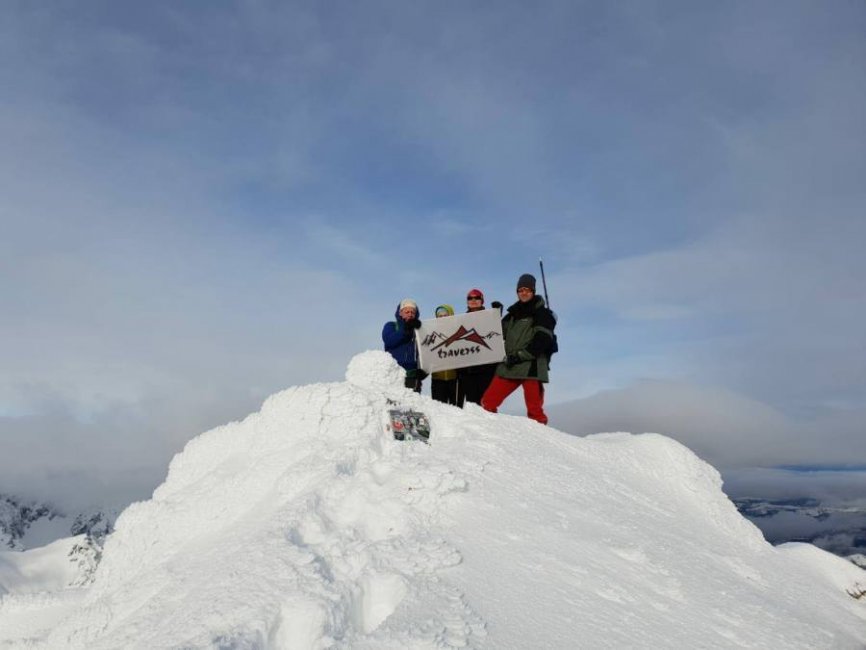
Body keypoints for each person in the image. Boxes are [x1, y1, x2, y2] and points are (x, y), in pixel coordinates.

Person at [481, 274, 556, 424]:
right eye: (520, 290)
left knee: (535, 412)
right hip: (511, 363)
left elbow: (543, 340)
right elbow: (496, 333)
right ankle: (490, 436)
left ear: (533, 291)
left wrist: (521, 355)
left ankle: (541, 443)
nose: (524, 293)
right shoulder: (513, 314)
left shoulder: (543, 313)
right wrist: (496, 315)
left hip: (532, 366)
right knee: (487, 403)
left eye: (527, 289)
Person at [456, 288, 499, 407]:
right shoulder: (460, 321)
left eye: (477, 298)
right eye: (470, 298)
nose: (473, 300)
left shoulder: (491, 317)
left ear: (482, 300)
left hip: (487, 369)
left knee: (487, 403)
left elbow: (498, 336)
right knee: (472, 405)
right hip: (468, 370)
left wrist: (497, 314)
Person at [382, 298, 425, 392]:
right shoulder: (391, 325)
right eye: (407, 311)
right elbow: (389, 341)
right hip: (394, 374)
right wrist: (406, 330)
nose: (410, 314)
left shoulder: (420, 331)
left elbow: (428, 351)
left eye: (413, 312)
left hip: (412, 376)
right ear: (400, 313)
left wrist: (425, 371)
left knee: (412, 405)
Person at [430, 304, 459, 405]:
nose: (442, 318)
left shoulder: (459, 333)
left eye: (445, 316)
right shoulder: (432, 335)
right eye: (440, 316)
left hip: (455, 378)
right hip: (437, 379)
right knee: (439, 410)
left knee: (456, 410)